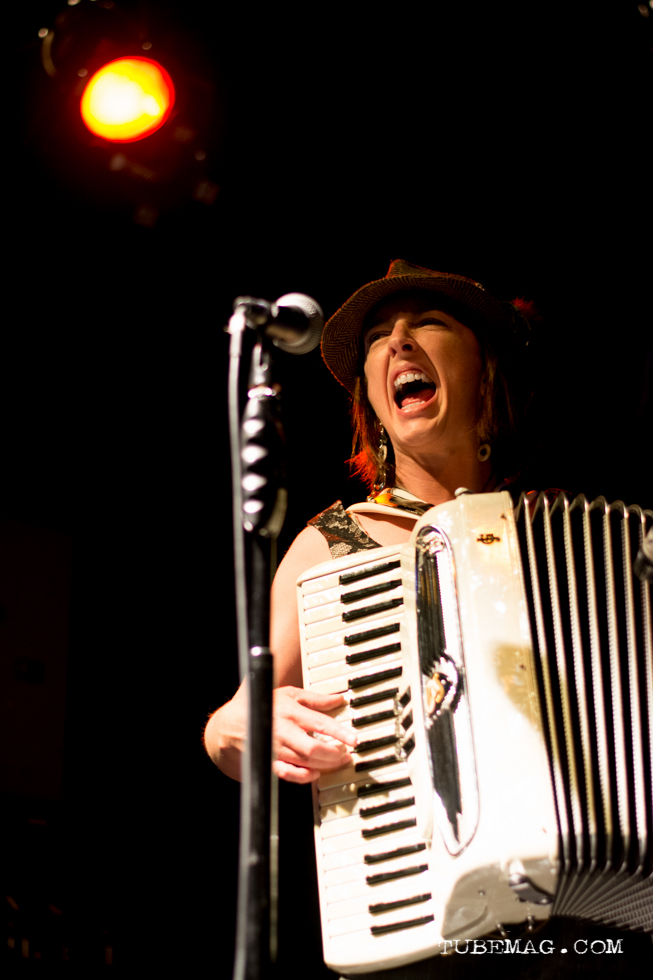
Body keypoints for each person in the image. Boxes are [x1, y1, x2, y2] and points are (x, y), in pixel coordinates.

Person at [204, 257, 538, 784]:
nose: (399, 342)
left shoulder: (557, 535)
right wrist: (229, 729)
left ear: (485, 370)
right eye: (378, 337)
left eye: (429, 322)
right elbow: (238, 723)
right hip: (406, 832)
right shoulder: (331, 545)